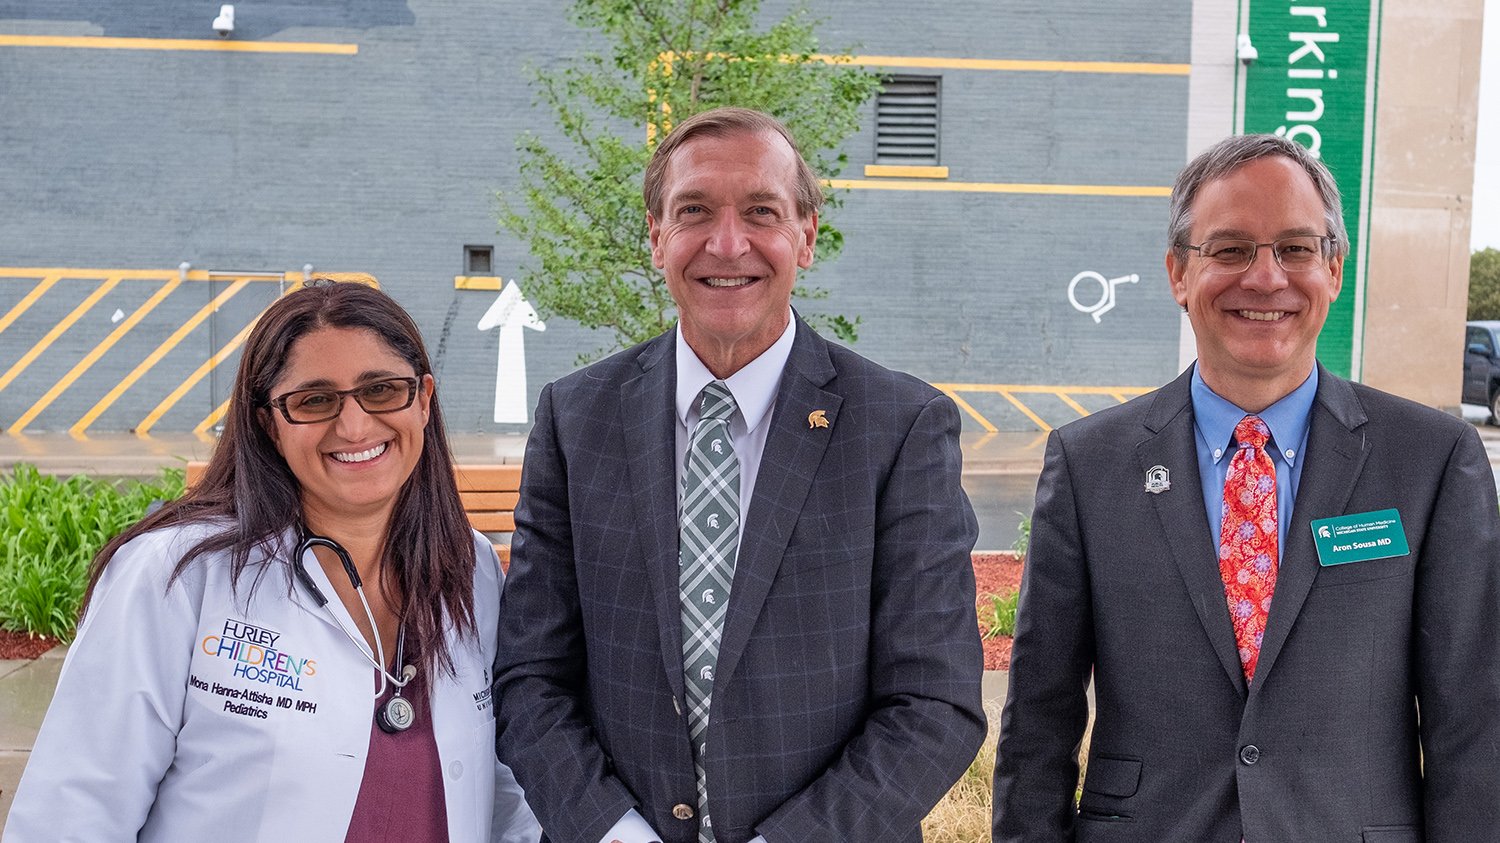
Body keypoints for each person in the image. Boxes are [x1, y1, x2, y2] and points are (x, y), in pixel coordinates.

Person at [494, 106, 986, 843]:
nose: (728, 244)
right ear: (657, 237)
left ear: (806, 236)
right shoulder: (577, 417)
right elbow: (531, 679)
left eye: (762, 211)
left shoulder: (899, 426)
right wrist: (615, 832)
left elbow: (934, 701)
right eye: (694, 212)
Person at [993, 133, 1500, 841]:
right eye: (1230, 249)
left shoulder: (1432, 460)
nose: (1265, 278)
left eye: (1294, 248)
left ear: (1334, 269)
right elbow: (1039, 725)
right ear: (1177, 273)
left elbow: (1473, 723)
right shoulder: (1089, 464)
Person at [3, 280, 540, 842]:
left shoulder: (469, 567)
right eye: (314, 400)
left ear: (423, 400)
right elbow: (72, 814)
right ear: (269, 424)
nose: (354, 426)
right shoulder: (174, 576)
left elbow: (506, 791)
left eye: (381, 390)